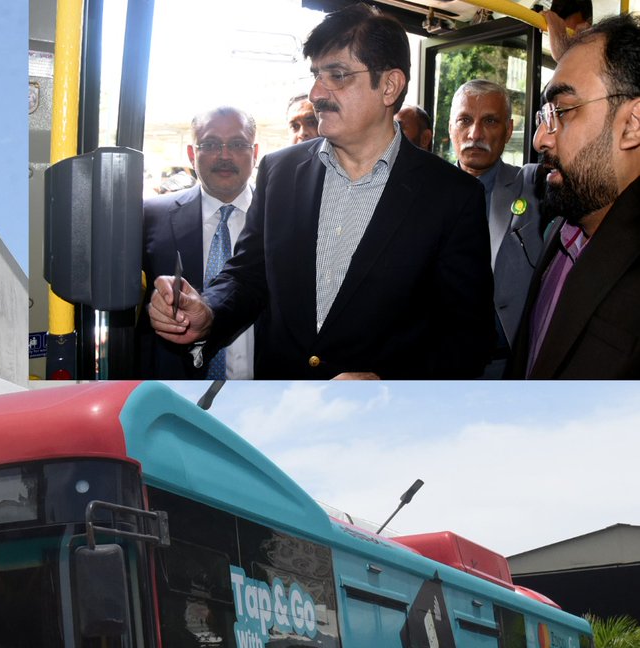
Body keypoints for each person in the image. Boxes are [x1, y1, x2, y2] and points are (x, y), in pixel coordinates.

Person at [147, 4, 494, 379]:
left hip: (384, 424)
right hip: (281, 409)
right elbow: (248, 274)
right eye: (316, 75)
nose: (315, 93)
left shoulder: (453, 196)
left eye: (337, 76)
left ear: (389, 86)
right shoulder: (280, 172)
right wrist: (209, 310)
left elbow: (467, 339)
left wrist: (389, 382)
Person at [508, 14, 640, 379]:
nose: (540, 139)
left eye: (563, 111)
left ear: (633, 124)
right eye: (544, 115)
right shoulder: (563, 231)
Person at [135, 106, 262, 379]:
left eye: (238, 144)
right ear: (193, 154)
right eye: (211, 144)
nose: (225, 155)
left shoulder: (284, 216)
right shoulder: (150, 216)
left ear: (255, 152)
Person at [448, 79, 545, 374]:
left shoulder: (531, 185)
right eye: (465, 120)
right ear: (451, 127)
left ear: (509, 130)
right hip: (442, 367)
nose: (475, 134)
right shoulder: (425, 194)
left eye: (490, 121)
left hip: (513, 366)